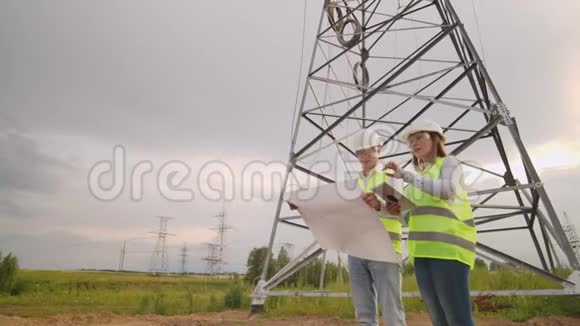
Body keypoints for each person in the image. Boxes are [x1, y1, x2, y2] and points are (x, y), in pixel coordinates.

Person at [384, 119, 476, 326]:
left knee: (458, 318)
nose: (414, 144)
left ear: (435, 139)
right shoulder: (419, 178)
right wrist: (396, 210)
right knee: (439, 319)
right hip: (422, 253)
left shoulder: (449, 163)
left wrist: (406, 175)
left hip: (449, 250)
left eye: (419, 137)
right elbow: (410, 216)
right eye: (411, 141)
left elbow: (447, 191)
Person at [347, 128, 407, 326]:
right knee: (363, 313)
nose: (364, 156)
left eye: (368, 150)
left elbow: (402, 213)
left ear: (379, 149)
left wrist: (380, 205)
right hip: (357, 251)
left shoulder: (391, 175)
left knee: (391, 312)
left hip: (385, 249)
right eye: (359, 152)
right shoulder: (353, 182)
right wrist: (305, 206)